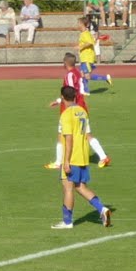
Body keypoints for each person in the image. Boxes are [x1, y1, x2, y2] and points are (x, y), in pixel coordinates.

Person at [53, 85, 113, 230]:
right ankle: (102, 209)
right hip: (83, 156)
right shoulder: (82, 112)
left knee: (68, 188)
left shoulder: (66, 115)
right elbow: (88, 135)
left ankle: (67, 222)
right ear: (75, 96)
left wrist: (65, 161)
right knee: (80, 187)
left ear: (62, 97)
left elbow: (68, 139)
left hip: (72, 157)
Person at [45, 54, 110, 170]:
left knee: (61, 135)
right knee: (87, 134)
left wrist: (63, 103)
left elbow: (70, 93)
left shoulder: (70, 75)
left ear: (65, 62)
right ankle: (103, 157)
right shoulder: (78, 72)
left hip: (72, 109)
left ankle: (58, 162)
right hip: (82, 108)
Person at [76, 17, 114, 90]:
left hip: (87, 58)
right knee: (82, 74)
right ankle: (85, 90)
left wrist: (80, 47)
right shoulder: (83, 33)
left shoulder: (86, 33)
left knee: (87, 76)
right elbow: (91, 41)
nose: (78, 25)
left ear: (85, 25)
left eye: (79, 23)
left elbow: (90, 43)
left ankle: (105, 78)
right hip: (84, 58)